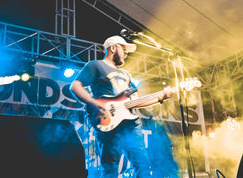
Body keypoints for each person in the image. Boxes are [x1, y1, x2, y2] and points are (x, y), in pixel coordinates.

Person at [70, 35, 172, 177]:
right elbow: (75, 86)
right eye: (123, 49)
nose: (126, 53)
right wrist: (94, 102)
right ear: (113, 48)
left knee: (142, 163)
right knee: (111, 166)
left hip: (130, 124)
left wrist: (161, 97)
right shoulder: (96, 65)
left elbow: (136, 101)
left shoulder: (126, 74)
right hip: (108, 120)